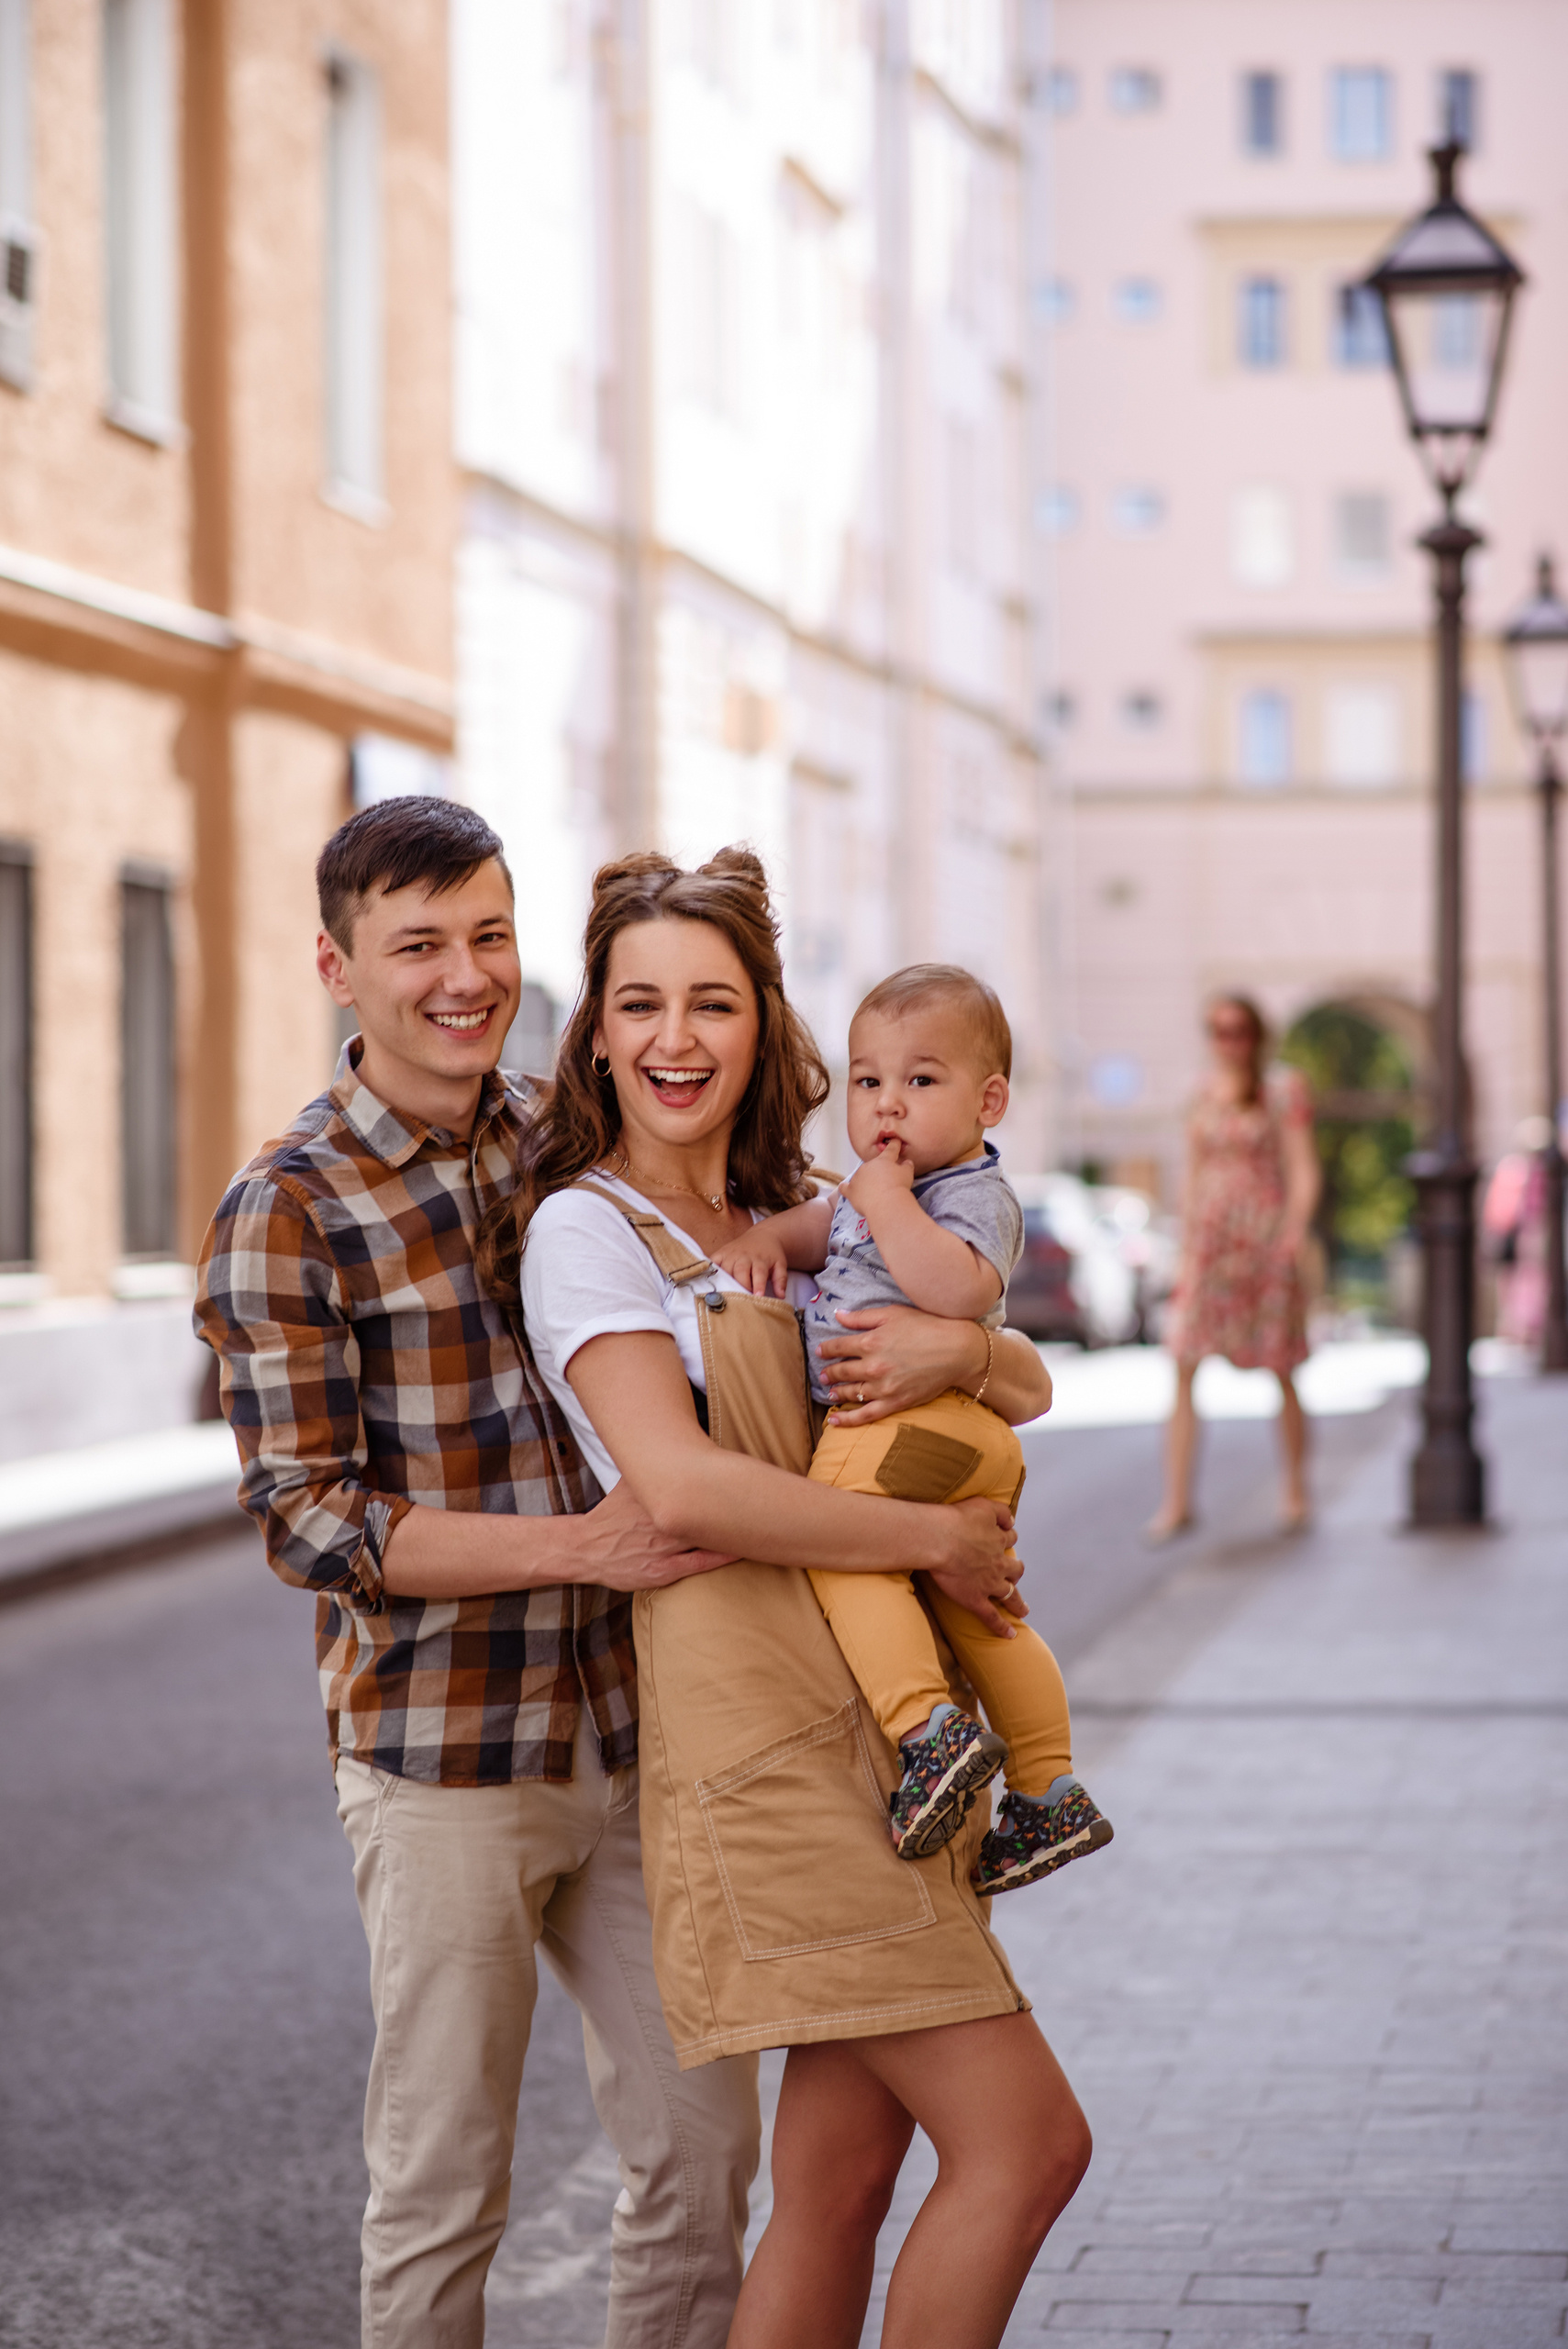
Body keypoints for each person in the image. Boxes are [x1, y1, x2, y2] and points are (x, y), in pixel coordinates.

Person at [193, 796, 1030, 2349]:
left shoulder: (557, 1131)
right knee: (444, 2185)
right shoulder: (288, 1205)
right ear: (336, 964)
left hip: (654, 1735)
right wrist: (581, 1545)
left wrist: (959, 1343)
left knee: (701, 2167)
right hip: (449, 1746)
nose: (464, 975)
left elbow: (836, 1281)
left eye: (489, 937)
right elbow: (312, 1519)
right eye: (418, 945)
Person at [497, 848, 1091, 2349]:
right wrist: (928, 1549)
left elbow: (1015, 1368)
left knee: (839, 2182)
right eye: (639, 1004)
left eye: (710, 1002)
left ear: (762, 1026)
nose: (674, 1038)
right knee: (1025, 2147)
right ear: (599, 1035)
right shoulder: (587, 1230)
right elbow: (683, 1489)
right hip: (766, 1744)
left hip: (888, 1740)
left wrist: (958, 1363)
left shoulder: (806, 1203)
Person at [711, 962, 1112, 1898]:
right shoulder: (861, 1193)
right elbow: (810, 1232)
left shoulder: (966, 1191)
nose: (888, 1104)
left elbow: (960, 1293)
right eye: (867, 1080)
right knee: (973, 1610)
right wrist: (765, 1243)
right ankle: (1047, 1786)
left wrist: (886, 1204)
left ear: (989, 1099)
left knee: (841, 1551)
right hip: (932, 1430)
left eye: (919, 1081)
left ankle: (926, 1731)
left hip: (899, 1420)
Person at [1149, 992, 1321, 1541]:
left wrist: (1293, 1231)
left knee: (1282, 1367)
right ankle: (1176, 1501)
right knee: (1183, 1364)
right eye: (1218, 1030)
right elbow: (1193, 1174)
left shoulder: (1282, 1090)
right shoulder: (1200, 1095)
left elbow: (1303, 1167)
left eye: (1238, 1029)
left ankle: (1295, 1487)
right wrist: (1185, 1243)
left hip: (1264, 1243)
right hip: (1210, 1248)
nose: (1229, 1041)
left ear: (1256, 1034)